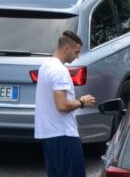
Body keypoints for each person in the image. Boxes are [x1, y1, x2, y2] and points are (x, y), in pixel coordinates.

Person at [35, 30, 94, 177]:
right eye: (76, 52)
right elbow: (62, 105)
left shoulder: (45, 66)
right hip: (64, 134)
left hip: (48, 134)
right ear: (66, 48)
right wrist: (82, 102)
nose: (77, 56)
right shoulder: (60, 71)